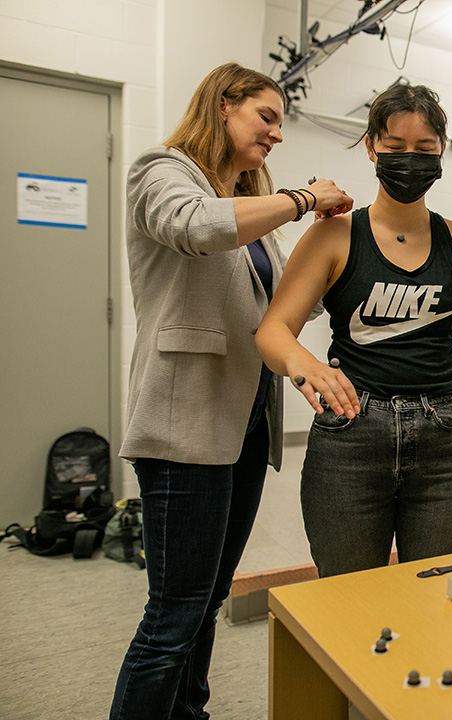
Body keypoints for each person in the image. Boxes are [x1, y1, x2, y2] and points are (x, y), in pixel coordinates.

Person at [256, 83, 452, 577]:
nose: (410, 159)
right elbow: (273, 330)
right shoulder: (334, 236)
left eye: (425, 149)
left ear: (442, 150)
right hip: (351, 437)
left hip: (444, 441)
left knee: (434, 595)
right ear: (371, 147)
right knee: (348, 597)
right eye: (396, 147)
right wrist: (306, 366)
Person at [111, 63, 352, 720]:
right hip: (184, 424)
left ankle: (189, 714)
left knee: (207, 599)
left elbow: (270, 311)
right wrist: (305, 197)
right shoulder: (162, 172)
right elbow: (195, 226)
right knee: (172, 617)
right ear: (224, 105)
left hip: (243, 425)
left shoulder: (248, 211)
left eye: (280, 123)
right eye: (265, 117)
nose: (275, 134)